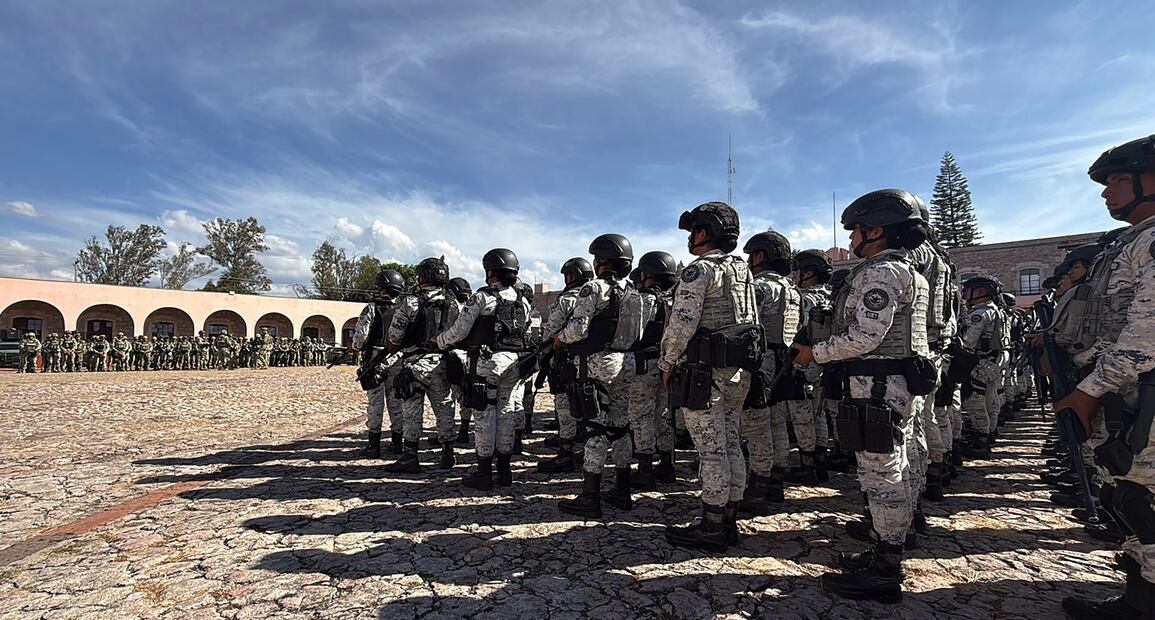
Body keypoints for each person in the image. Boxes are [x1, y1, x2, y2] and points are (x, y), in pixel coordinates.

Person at [791, 188, 932, 603]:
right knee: (895, 470)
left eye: (855, 230)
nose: (851, 238)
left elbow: (867, 336)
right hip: (893, 383)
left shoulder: (880, 273)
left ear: (876, 230)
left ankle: (886, 570)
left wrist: (814, 353)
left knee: (881, 475)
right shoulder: (909, 271)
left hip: (877, 386)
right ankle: (886, 550)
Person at [1058, 134, 1155, 619]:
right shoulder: (1134, 241)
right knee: (1130, 496)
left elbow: (1147, 330)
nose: (1106, 192)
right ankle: (1139, 600)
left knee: (1145, 501)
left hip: (1141, 392)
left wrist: (1089, 387)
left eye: (1119, 179)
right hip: (1125, 391)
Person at [662, 202, 759, 551]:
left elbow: (681, 325)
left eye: (692, 232)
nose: (690, 239)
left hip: (704, 375)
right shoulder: (742, 270)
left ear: (703, 232)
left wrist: (667, 364)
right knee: (732, 444)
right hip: (738, 372)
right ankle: (729, 520)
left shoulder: (699, 271)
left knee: (712, 452)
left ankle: (712, 526)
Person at [555, 234, 641, 518]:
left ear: (603, 260)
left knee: (594, 427)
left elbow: (578, 329)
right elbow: (637, 333)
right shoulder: (634, 292)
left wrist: (559, 339)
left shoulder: (594, 289)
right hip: (627, 363)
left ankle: (590, 496)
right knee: (620, 427)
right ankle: (622, 489)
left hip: (598, 364)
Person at [436, 249, 532, 490]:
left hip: (487, 364)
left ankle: (483, 472)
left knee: (485, 415)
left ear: (491, 272)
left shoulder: (482, 298)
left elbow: (459, 330)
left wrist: (439, 341)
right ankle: (505, 470)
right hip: (514, 364)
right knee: (506, 412)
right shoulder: (523, 302)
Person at [738, 231, 800, 515]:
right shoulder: (793, 291)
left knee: (756, 426)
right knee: (777, 423)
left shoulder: (759, 287)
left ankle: (757, 489)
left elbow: (742, 322)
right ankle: (775, 482)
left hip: (760, 362)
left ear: (760, 256)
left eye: (752, 256)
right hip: (784, 361)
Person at [383, 257, 459, 473]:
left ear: (423, 277)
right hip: (442, 362)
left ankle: (410, 456)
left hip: (415, 364)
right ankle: (447, 454)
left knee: (412, 411)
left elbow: (395, 336)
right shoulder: (453, 303)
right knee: (445, 407)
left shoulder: (410, 302)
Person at [536, 258, 595, 475]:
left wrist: (542, 355)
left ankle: (565, 454)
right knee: (588, 406)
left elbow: (550, 332)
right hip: (591, 362)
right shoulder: (596, 296)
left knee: (564, 407)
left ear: (571, 276)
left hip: (566, 360)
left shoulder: (567, 300)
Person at [626, 250, 679, 489]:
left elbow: (629, 334)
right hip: (671, 364)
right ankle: (667, 464)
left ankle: (645, 470)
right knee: (665, 415)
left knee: (641, 416)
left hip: (645, 365)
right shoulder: (677, 299)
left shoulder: (643, 300)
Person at [350, 268, 407, 458]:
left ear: (382, 287)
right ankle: (398, 443)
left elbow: (361, 337)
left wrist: (355, 347)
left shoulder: (372, 308)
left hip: (375, 358)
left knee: (375, 403)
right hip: (397, 357)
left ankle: (374, 446)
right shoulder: (403, 308)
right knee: (396, 402)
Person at [959, 276, 1007, 458]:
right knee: (990, 400)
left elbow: (968, 342)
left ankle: (980, 440)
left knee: (975, 401)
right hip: (994, 362)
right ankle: (988, 435)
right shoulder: (997, 311)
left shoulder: (980, 314)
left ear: (979, 292)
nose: (964, 295)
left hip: (981, 363)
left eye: (967, 291)